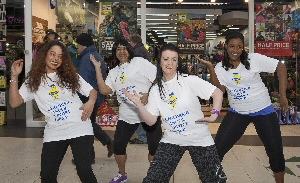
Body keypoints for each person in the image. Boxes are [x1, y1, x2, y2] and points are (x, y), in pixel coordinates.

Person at [123, 43, 227, 183]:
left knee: (215, 181)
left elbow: (218, 93)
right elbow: (151, 121)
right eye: (166, 59)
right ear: (160, 61)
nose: (169, 63)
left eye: (174, 59)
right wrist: (139, 105)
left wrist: (215, 114)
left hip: (199, 138)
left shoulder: (189, 80)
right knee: (153, 180)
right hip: (172, 139)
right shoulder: (155, 90)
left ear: (178, 62)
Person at [196, 31, 287, 183]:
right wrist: (211, 68)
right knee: (217, 148)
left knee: (275, 152)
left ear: (243, 47)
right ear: (226, 46)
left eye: (239, 47)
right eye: (232, 46)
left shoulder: (253, 59)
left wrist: (283, 96)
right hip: (238, 112)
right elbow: (220, 90)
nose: (235, 50)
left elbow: (280, 67)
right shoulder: (220, 67)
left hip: (263, 109)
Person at [9, 40, 98, 183]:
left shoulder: (69, 75)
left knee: (84, 170)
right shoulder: (33, 80)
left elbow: (92, 91)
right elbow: (14, 102)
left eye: (60, 56)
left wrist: (91, 102)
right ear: (44, 55)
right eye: (52, 54)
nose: (56, 59)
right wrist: (14, 77)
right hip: (54, 130)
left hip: (79, 125)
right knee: (47, 176)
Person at [89, 38, 162, 183]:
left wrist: (149, 93)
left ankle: (154, 176)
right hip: (127, 114)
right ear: (114, 53)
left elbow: (158, 78)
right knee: (118, 145)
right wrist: (98, 69)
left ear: (129, 50)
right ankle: (122, 174)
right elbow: (104, 90)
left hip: (149, 111)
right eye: (118, 49)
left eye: (124, 48)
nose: (121, 51)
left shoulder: (139, 62)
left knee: (154, 148)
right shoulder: (115, 71)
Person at [76, 33, 114, 163]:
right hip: (96, 96)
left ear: (82, 45)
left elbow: (84, 82)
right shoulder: (95, 55)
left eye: (78, 45)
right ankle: (108, 144)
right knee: (89, 124)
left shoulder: (87, 58)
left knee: (86, 126)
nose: (77, 48)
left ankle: (89, 157)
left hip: (88, 98)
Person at [129, 34, 152, 144]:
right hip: (144, 85)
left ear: (132, 42)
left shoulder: (137, 53)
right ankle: (143, 136)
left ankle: (143, 137)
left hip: (140, 86)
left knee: (140, 113)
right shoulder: (143, 50)